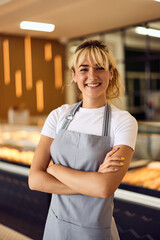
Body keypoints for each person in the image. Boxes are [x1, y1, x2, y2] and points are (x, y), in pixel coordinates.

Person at [29, 40, 138, 240]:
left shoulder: (123, 121)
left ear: (111, 73)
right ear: (74, 75)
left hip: (94, 232)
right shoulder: (58, 116)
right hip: (55, 227)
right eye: (84, 69)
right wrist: (91, 183)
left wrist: (55, 170)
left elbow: (104, 188)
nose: (92, 76)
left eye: (99, 68)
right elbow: (35, 180)